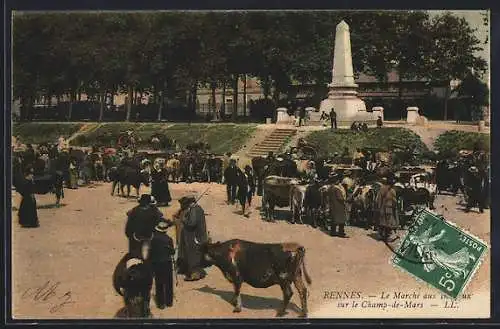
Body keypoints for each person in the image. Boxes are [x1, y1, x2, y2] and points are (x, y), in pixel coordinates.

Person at [174, 195, 208, 281]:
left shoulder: (194, 210)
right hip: (196, 236)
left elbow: (192, 223)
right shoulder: (197, 208)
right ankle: (187, 269)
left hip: (194, 236)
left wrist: (184, 219)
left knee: (193, 254)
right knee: (188, 253)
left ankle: (195, 273)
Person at [150, 221, 175, 309]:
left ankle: (161, 303)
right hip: (167, 263)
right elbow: (172, 252)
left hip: (157, 263)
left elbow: (151, 252)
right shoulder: (169, 239)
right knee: (168, 283)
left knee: (159, 283)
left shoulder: (153, 239)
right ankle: (169, 302)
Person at [375, 174, 400, 241]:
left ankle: (381, 235)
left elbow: (378, 199)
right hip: (389, 208)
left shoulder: (382, 188)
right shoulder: (392, 190)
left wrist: (379, 207)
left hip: (384, 207)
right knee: (388, 223)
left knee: (382, 222)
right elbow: (394, 201)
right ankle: (386, 236)